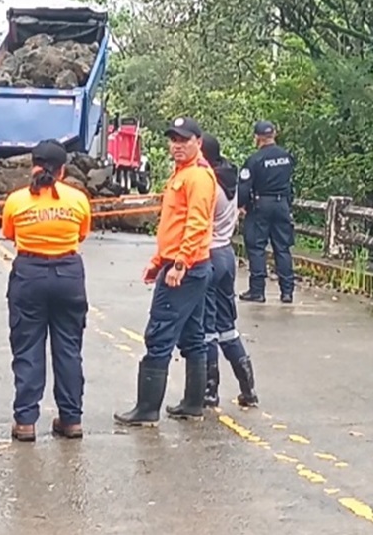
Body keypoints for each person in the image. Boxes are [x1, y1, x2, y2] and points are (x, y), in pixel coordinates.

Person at [114, 117, 217, 426]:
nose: (177, 146)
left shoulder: (197, 178)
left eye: (183, 140)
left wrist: (179, 264)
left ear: (198, 142)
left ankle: (147, 409)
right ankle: (193, 403)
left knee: (159, 335)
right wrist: (159, 261)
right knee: (192, 336)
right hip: (186, 264)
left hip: (187, 268)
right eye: (173, 140)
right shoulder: (182, 174)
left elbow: (196, 224)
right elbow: (172, 225)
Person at [1, 139, 91, 442]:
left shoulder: (16, 200)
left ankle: (25, 421)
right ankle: (71, 419)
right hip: (68, 274)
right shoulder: (78, 199)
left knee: (27, 347)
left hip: (29, 274)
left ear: (33, 166)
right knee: (68, 348)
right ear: (63, 170)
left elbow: (9, 234)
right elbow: (82, 234)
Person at [174, 135, 258, 414]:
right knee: (227, 324)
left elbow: (196, 221)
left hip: (208, 253)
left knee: (206, 328)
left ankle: (209, 391)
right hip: (227, 253)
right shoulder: (229, 178)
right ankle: (248, 390)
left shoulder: (209, 184)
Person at [239, 120, 297, 304]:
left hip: (260, 205)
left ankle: (257, 291)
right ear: (274, 134)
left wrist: (241, 205)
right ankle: (287, 292)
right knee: (282, 247)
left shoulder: (254, 160)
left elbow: (244, 186)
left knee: (256, 247)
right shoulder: (287, 157)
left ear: (257, 137)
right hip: (282, 205)